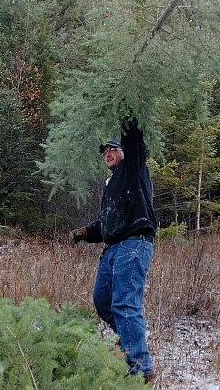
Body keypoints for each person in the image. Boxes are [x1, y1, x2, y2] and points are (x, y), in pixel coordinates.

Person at [69, 116, 157, 382]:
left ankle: (140, 370)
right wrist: (86, 232)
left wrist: (126, 108)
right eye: (104, 151)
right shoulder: (111, 184)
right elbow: (108, 223)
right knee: (103, 301)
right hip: (113, 249)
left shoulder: (133, 168)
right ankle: (128, 341)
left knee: (125, 304)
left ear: (124, 152)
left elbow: (134, 139)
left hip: (134, 244)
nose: (107, 154)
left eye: (113, 149)